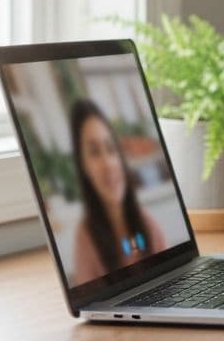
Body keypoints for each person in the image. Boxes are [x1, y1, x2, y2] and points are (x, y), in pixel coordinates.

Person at [69, 98, 168, 284]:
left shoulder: (147, 223)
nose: (108, 164)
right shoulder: (86, 240)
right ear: (84, 167)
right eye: (94, 152)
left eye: (110, 149)